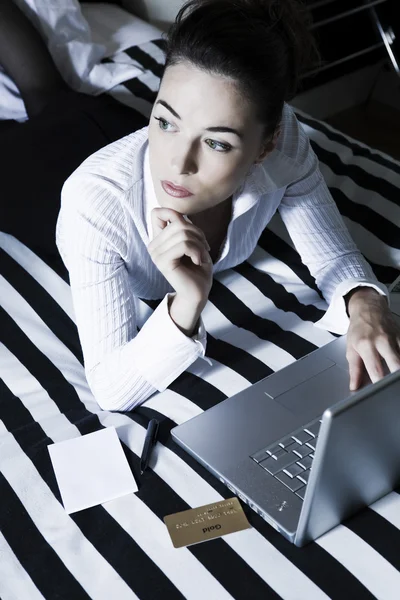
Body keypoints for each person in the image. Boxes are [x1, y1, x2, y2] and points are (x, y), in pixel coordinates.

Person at [2, 0, 400, 412]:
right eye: (165, 120)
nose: (178, 163)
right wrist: (186, 305)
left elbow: (333, 255)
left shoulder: (287, 146)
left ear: (266, 145)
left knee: (56, 99)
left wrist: (367, 303)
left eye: (216, 142)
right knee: (44, 99)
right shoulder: (94, 206)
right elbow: (110, 389)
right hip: (44, 184)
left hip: (105, 130)